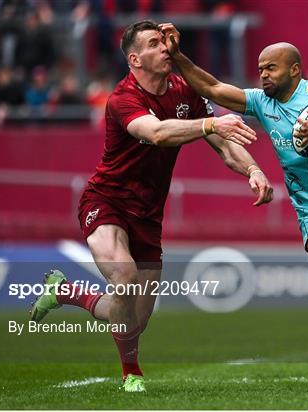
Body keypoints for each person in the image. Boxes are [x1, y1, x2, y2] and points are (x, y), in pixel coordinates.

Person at [29, 20, 273, 393]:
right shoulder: (122, 98)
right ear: (135, 59)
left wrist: (253, 169)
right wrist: (211, 124)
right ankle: (131, 373)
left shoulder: (184, 90)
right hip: (106, 201)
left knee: (134, 318)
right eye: (155, 44)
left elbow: (224, 145)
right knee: (124, 279)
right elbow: (157, 133)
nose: (165, 48)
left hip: (148, 215)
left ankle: (65, 292)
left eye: (164, 42)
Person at [161, 23, 308, 394]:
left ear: (294, 69)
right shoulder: (261, 101)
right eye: (259, 69)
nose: (263, 75)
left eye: (270, 68)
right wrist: (177, 57)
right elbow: (211, 88)